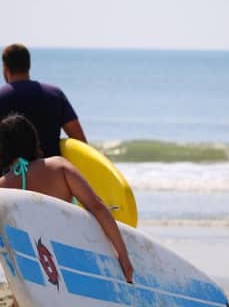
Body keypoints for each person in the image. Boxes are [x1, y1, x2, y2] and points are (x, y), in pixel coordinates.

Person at [0, 114, 133, 293]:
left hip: (32, 266)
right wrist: (122, 255)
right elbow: (97, 207)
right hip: (68, 258)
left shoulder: (3, 186)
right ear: (34, 140)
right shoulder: (59, 167)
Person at [0, 43, 87, 157]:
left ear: (6, 67)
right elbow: (80, 142)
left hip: (11, 173)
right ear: (28, 66)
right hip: (50, 171)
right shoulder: (55, 94)